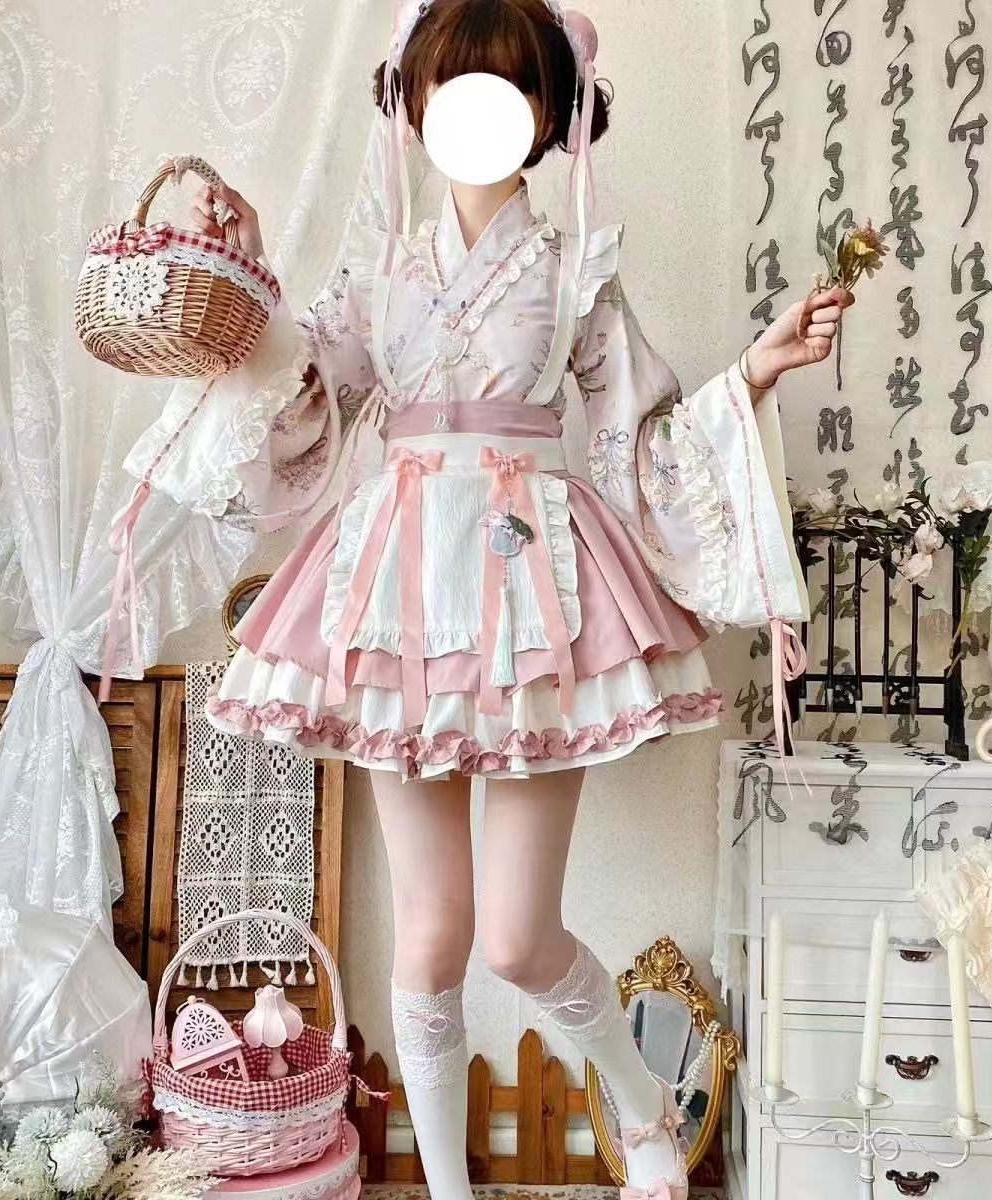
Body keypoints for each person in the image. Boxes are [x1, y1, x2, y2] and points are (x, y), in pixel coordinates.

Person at [123, 2, 850, 1196]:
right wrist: (246, 270)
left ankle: (643, 1108)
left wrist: (757, 370)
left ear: (551, 114)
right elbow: (302, 405)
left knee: (515, 937)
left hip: (537, 604)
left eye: (508, 90)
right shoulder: (378, 273)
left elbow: (645, 439)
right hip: (397, 596)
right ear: (411, 106)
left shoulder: (573, 270)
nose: (476, 114)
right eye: (452, 87)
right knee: (428, 940)